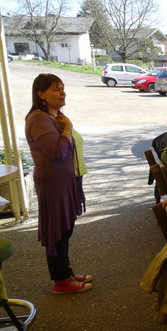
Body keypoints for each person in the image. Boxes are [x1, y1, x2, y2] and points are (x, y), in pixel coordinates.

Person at [25, 73, 92, 294]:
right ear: (41, 94)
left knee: (65, 230)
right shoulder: (38, 119)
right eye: (56, 89)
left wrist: (65, 127)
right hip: (54, 184)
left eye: (63, 88)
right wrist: (66, 130)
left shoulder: (55, 117)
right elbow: (56, 152)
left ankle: (67, 272)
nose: (62, 92)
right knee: (57, 231)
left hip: (66, 181)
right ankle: (61, 280)